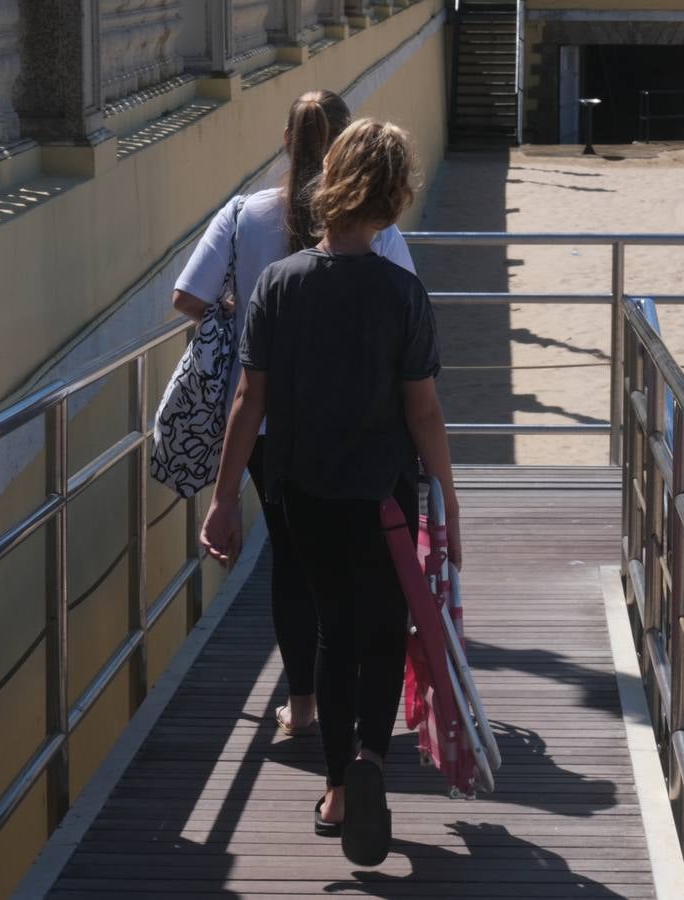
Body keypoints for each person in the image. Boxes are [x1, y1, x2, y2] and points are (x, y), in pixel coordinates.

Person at [199, 119, 460, 867]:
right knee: (383, 633)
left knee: (333, 633)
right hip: (384, 495)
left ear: (331, 183)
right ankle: (371, 762)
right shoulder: (402, 292)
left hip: (303, 491)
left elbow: (249, 402)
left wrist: (224, 500)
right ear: (397, 193)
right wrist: (449, 499)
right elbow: (425, 411)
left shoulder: (281, 284)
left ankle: (339, 790)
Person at [172, 91, 415, 737]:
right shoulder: (378, 229)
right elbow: (407, 313)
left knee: (293, 560)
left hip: (265, 424)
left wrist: (237, 311)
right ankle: (360, 704)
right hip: (356, 424)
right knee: (361, 563)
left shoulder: (244, 213)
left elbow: (186, 297)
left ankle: (303, 703)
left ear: (287, 140)